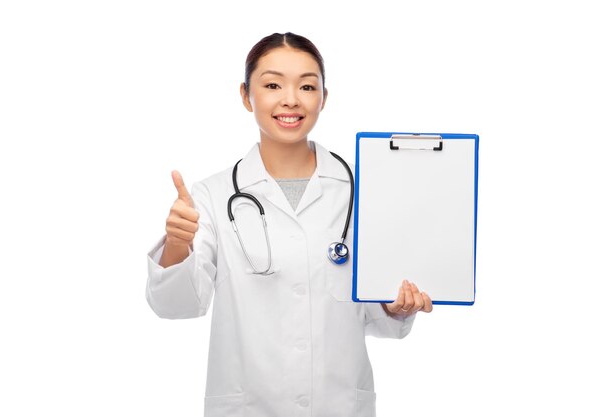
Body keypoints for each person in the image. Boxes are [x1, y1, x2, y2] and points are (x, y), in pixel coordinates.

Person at [146, 32, 433, 417]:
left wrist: (395, 306)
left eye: (307, 86)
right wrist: (178, 244)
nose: (291, 99)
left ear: (323, 98)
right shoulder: (212, 196)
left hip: (339, 404)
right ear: (247, 96)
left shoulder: (361, 192)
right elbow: (175, 306)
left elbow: (378, 316)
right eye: (272, 84)